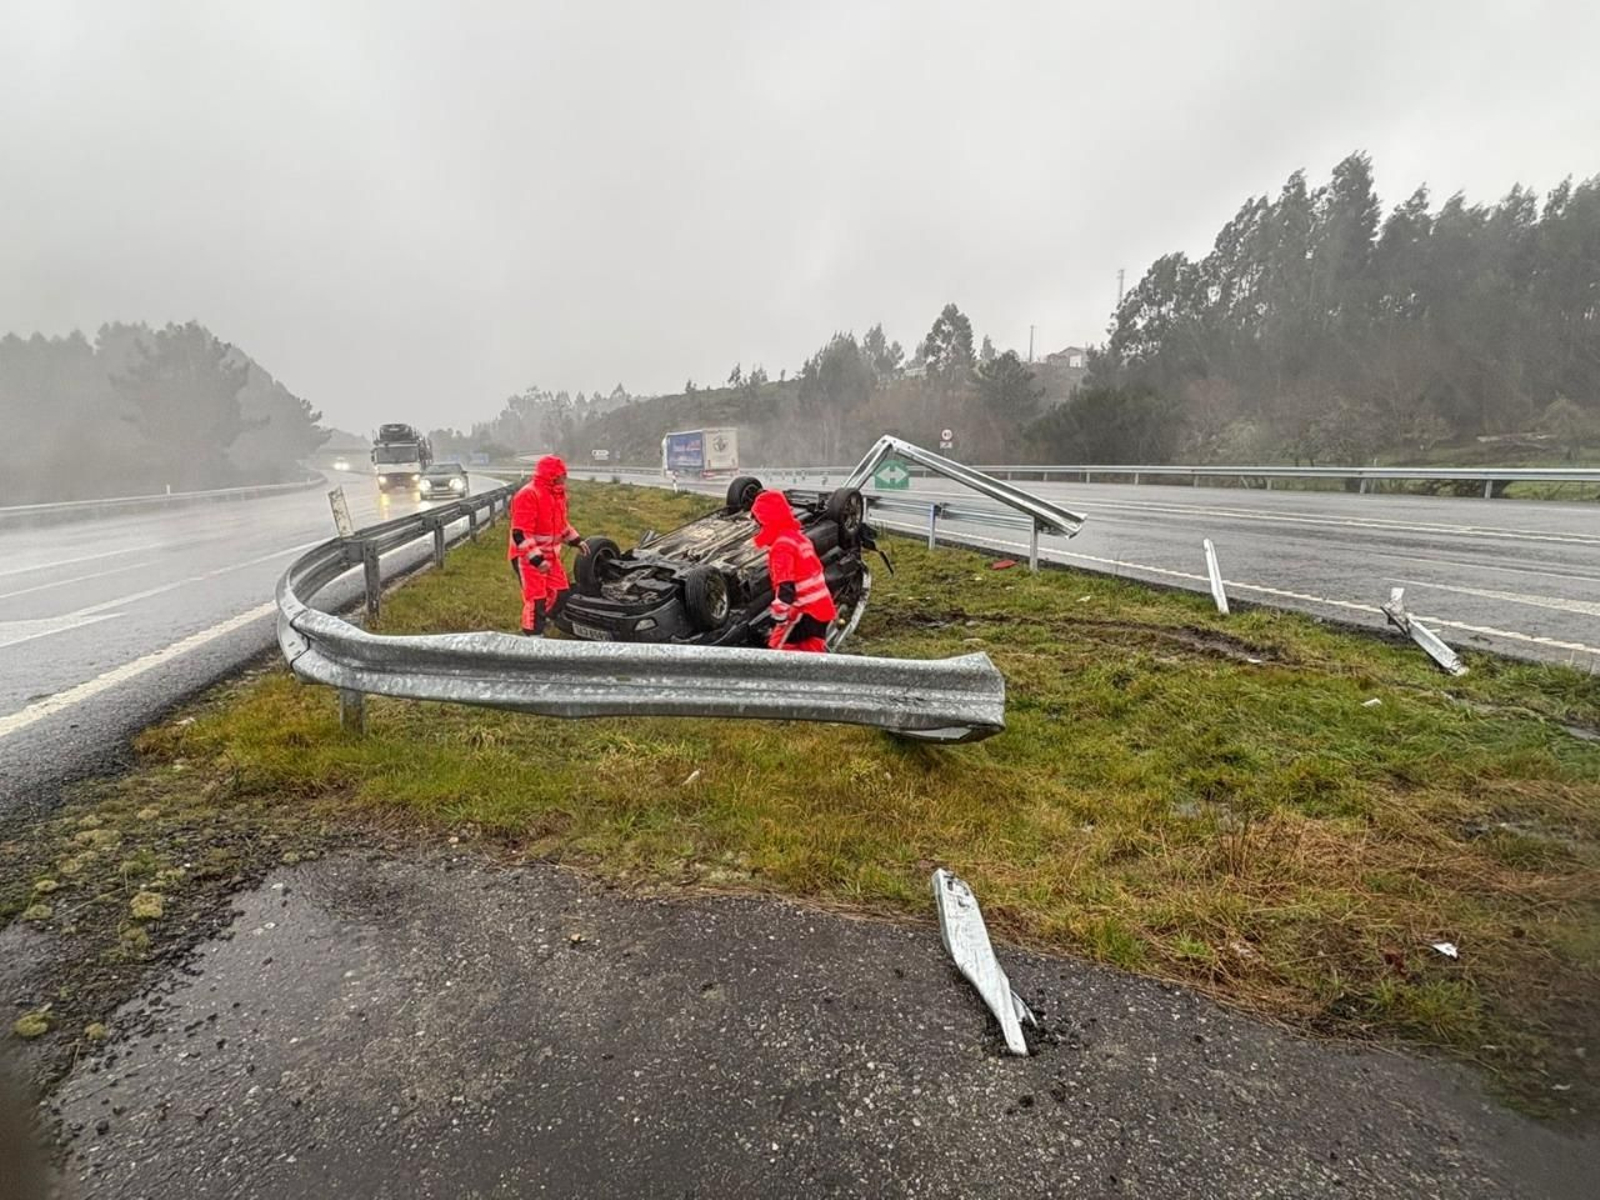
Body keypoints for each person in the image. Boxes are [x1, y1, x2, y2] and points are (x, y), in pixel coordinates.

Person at [508, 455, 586, 636]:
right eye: (562, 474)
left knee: (561, 593)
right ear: (552, 475)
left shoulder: (557, 494)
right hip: (527, 557)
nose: (565, 478)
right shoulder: (528, 494)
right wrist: (537, 559)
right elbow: (520, 533)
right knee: (536, 599)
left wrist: (577, 541)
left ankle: (543, 621)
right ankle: (533, 635)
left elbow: (561, 525)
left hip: (550, 555)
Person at [750, 489, 835, 652]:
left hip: (803, 612)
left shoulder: (781, 547)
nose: (756, 527)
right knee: (811, 651)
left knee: (779, 653)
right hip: (821, 608)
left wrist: (778, 618)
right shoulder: (799, 538)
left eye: (758, 522)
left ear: (767, 520)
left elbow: (786, 589)